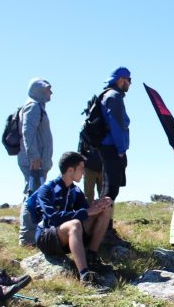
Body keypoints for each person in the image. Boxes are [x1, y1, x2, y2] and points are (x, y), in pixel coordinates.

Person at [30, 151, 114, 290]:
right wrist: (86, 212)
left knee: (105, 211)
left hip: (67, 235)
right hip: (47, 237)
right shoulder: (47, 190)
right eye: (81, 168)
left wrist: (100, 204)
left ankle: (91, 257)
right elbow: (54, 218)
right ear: (70, 170)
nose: (84, 172)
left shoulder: (75, 191)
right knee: (74, 224)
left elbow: (87, 212)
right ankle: (85, 276)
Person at [18, 78, 55, 246]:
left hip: (37, 161)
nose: (51, 93)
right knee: (32, 196)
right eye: (48, 89)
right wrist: (34, 156)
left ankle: (31, 235)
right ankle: (26, 238)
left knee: (34, 195)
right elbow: (27, 131)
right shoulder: (33, 106)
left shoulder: (37, 106)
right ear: (38, 90)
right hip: (34, 162)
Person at [99, 67, 131, 244]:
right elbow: (116, 125)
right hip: (112, 149)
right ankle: (104, 231)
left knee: (110, 190)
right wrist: (120, 149)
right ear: (121, 80)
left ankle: (105, 229)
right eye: (129, 80)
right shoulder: (114, 97)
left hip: (107, 148)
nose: (129, 84)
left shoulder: (107, 95)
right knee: (110, 191)